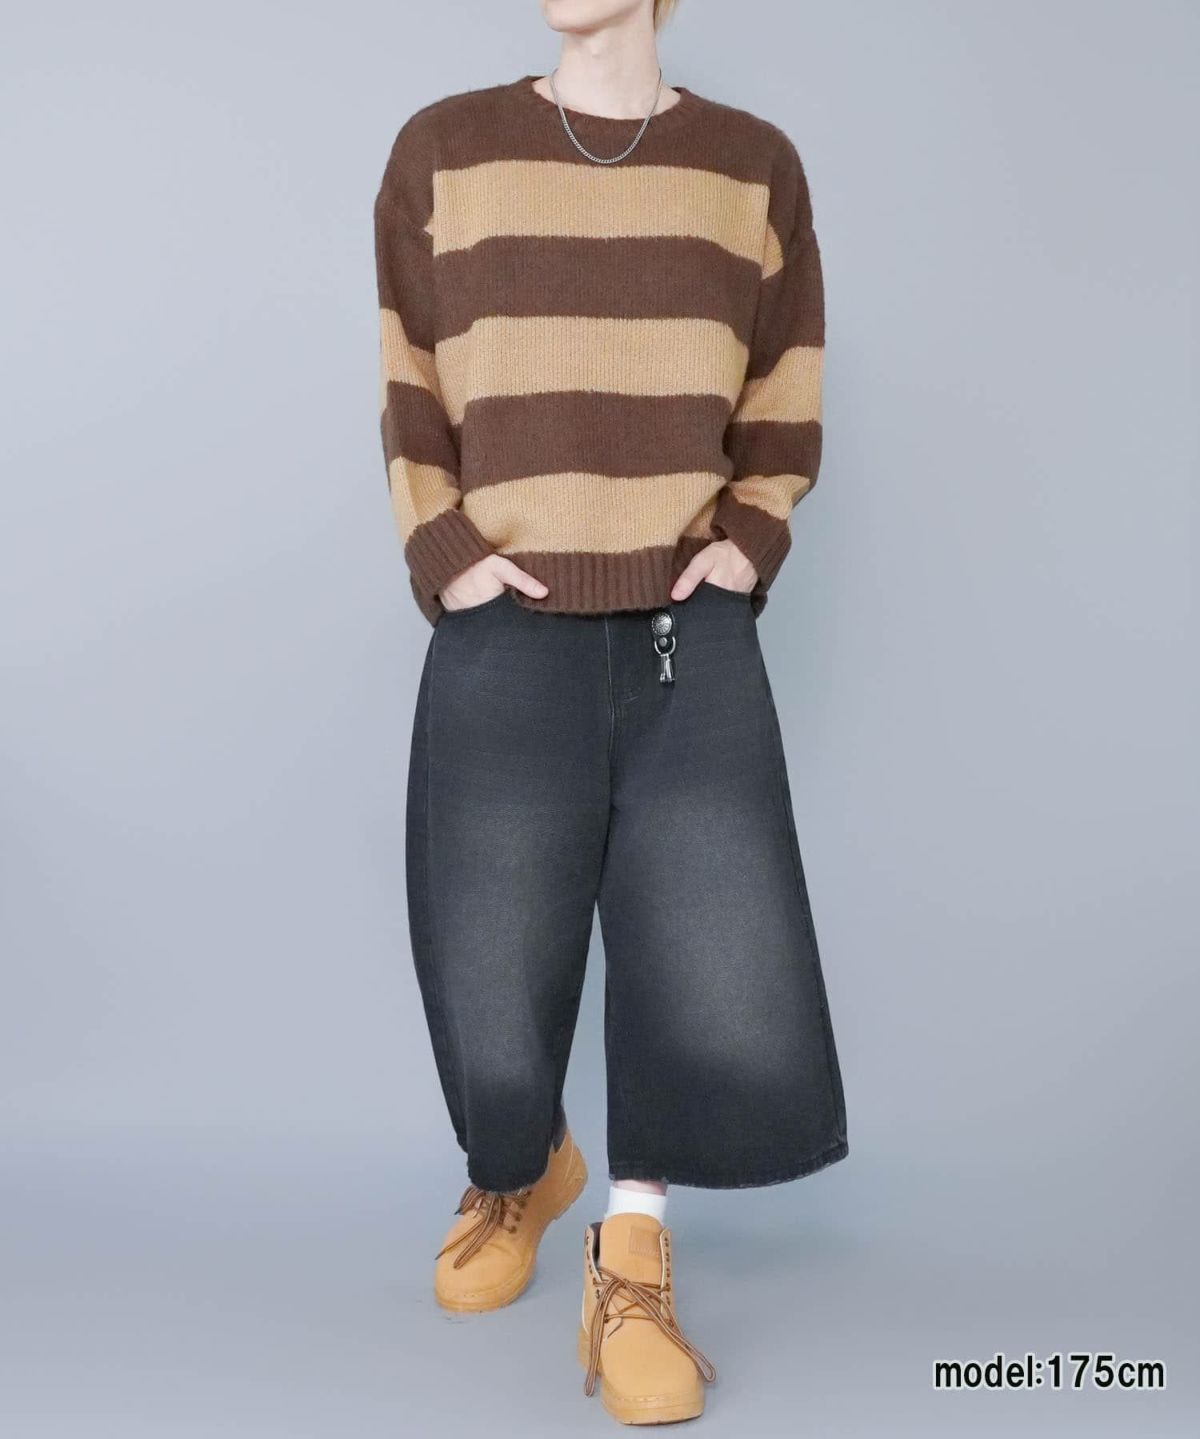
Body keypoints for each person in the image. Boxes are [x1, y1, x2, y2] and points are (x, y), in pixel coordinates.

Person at [373, 0, 847, 1424]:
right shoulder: (444, 150)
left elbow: (786, 381)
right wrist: (444, 550)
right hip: (504, 616)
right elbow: (409, 378)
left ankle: (629, 1257)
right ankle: (522, 1171)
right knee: (488, 979)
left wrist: (751, 539)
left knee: (698, 958)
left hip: (683, 629)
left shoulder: (752, 165)